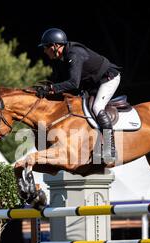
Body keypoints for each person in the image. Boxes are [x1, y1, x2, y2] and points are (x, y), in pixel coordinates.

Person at [37, 28, 122, 164]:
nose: (44, 51)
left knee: (97, 107)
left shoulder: (74, 54)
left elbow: (73, 83)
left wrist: (52, 88)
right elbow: (58, 82)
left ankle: (110, 148)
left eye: (46, 47)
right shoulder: (59, 59)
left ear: (55, 46)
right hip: (91, 84)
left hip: (108, 78)